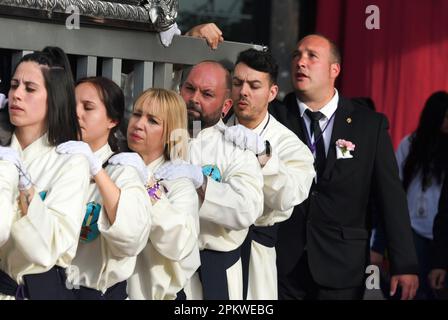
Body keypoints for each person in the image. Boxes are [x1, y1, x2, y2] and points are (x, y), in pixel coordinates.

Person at [273, 34, 419, 300]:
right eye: (296, 55)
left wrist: (404, 264)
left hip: (342, 266)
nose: (300, 62)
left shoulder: (369, 125)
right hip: (282, 264)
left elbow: (390, 197)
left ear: (334, 69)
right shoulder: (275, 116)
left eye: (311, 56)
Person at [155, 61, 264, 299]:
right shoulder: (157, 135)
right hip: (163, 266)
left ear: (226, 105)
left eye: (206, 94)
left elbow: (247, 208)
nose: (194, 98)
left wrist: (201, 183)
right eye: (189, 89)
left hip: (214, 268)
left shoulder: (235, 147)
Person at [0, 47, 91, 299]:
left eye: (30, 89)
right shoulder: (3, 146)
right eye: (13, 85)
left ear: (54, 98)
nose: (17, 94)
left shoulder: (70, 161)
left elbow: (45, 248)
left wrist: (22, 184)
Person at [224, 48, 315, 299]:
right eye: (238, 83)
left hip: (256, 253)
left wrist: (263, 156)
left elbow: (289, 195)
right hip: (207, 245)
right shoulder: (211, 132)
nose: (243, 91)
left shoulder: (289, 145)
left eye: (254, 85)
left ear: (272, 92)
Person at [56, 77, 151, 299]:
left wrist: (97, 170)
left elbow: (131, 237)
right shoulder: (57, 159)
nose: (76, 113)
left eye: (88, 107)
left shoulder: (122, 170)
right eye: (73, 106)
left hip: (94, 291)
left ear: (112, 120)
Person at [372, 91, 448, 299]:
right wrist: (379, 242)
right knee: (409, 289)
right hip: (412, 226)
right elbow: (391, 189)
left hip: (440, 230)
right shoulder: (411, 143)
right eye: (446, 116)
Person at [126, 88, 200, 300]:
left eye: (152, 121)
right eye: (137, 114)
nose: (139, 124)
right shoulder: (115, 166)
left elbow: (180, 243)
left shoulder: (179, 184)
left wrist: (149, 186)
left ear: (171, 132)